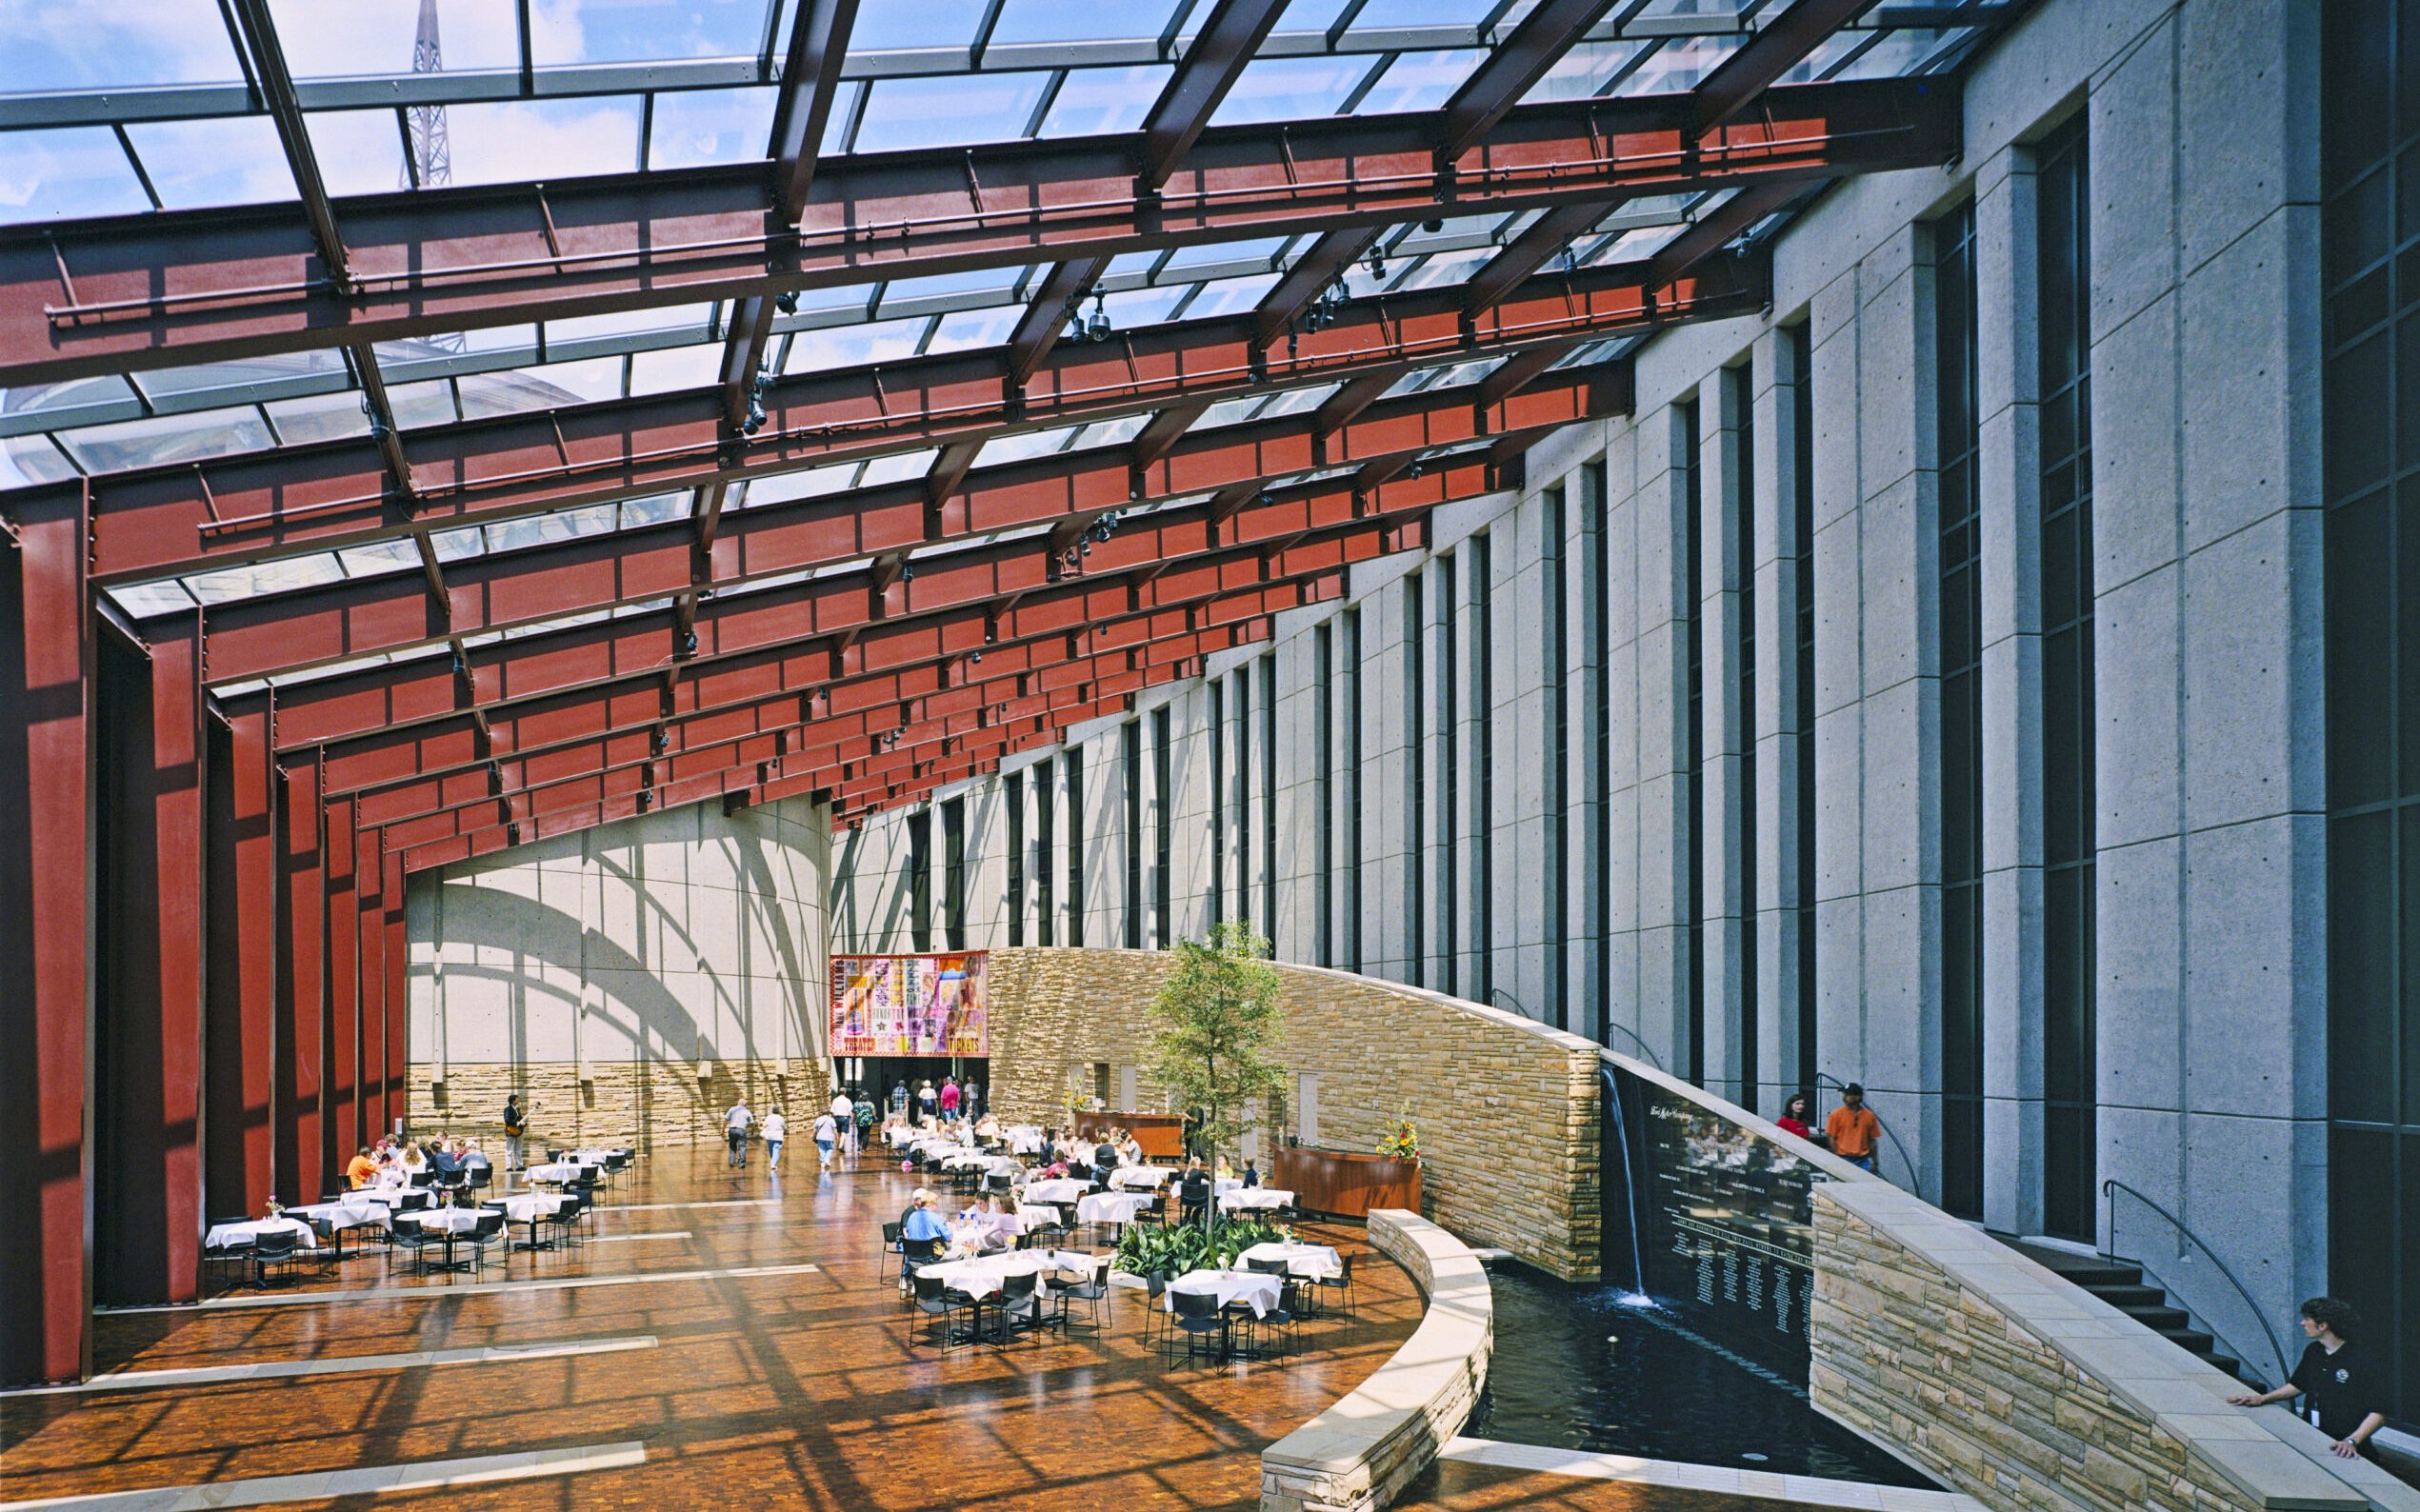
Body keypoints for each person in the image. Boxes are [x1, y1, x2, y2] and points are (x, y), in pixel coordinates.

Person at [2229, 1298, 2387, 1459]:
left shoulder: (2363, 1360)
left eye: (2307, 1319)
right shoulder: (2314, 1351)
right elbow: (2298, 1385)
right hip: (2313, 1435)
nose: (2302, 1323)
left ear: (2323, 1325)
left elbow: (2379, 1413)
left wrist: (2351, 1441)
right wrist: (2262, 1398)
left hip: (2346, 1446)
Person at [1825, 1084, 1882, 1173]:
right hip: (1844, 1159)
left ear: (1858, 1097)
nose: (1844, 1097)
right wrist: (1837, 1159)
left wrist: (1875, 1162)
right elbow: (1831, 1137)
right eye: (1844, 1094)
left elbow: (1872, 1140)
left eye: (1848, 1095)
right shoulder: (1835, 1115)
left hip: (1863, 1161)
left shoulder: (1869, 1116)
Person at [725, 1100, 753, 1168]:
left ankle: (731, 1162)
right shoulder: (747, 1111)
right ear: (745, 1105)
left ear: (738, 1103)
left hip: (732, 1130)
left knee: (732, 1146)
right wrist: (752, 1130)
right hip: (741, 1130)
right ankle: (741, 1164)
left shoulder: (732, 1109)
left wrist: (723, 1129)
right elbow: (752, 1123)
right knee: (742, 1147)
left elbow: (726, 1120)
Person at [502, 1094, 527, 1173]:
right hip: (511, 1131)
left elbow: (520, 1119)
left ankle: (519, 1166)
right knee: (509, 1150)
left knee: (518, 1149)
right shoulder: (507, 1109)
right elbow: (507, 1120)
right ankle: (508, 1167)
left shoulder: (517, 1109)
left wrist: (524, 1123)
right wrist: (517, 1123)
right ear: (513, 1101)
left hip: (519, 1132)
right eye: (517, 1099)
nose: (518, 1100)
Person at [830, 1088, 855, 1161]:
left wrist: (833, 1118)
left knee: (838, 1132)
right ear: (845, 1092)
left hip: (837, 1118)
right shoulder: (848, 1100)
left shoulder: (835, 1100)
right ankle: (841, 1146)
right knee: (844, 1133)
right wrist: (852, 1120)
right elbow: (851, 1111)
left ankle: (839, 1144)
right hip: (845, 1118)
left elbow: (832, 1111)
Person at [762, 1107, 786, 1172]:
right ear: (778, 1111)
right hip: (778, 1136)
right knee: (776, 1150)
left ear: (772, 1111)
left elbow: (764, 1125)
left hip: (769, 1136)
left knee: (771, 1150)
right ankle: (773, 1164)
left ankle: (773, 1163)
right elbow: (784, 1127)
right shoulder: (781, 1118)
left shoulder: (768, 1117)